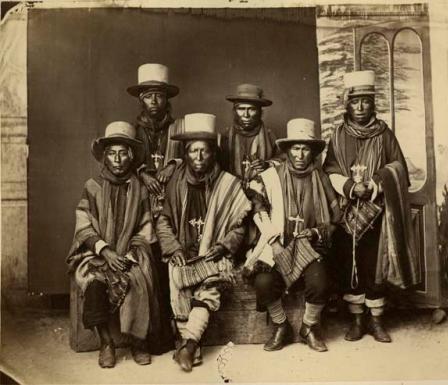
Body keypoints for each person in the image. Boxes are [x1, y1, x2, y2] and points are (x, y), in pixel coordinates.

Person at [323, 70, 421, 343]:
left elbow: (398, 166)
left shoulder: (384, 133)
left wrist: (377, 183)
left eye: (366, 101)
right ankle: (356, 321)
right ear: (348, 103)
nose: (361, 106)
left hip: (378, 212)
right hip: (347, 213)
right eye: (356, 101)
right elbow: (329, 168)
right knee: (351, 265)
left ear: (373, 103)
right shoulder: (338, 134)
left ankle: (377, 321)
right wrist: (350, 187)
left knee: (375, 266)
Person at [155, 113, 251, 372]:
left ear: (213, 154)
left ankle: (188, 345)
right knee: (177, 276)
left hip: (214, 251)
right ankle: (189, 342)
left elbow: (239, 225)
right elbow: (162, 221)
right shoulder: (175, 184)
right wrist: (173, 248)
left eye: (204, 151)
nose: (198, 157)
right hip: (184, 251)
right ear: (185, 154)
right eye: (193, 151)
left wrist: (225, 245)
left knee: (212, 284)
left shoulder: (228, 184)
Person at [66, 121, 167, 368]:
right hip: (97, 253)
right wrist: (106, 250)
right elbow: (84, 225)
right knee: (94, 285)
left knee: (139, 280)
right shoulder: (93, 187)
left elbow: (145, 229)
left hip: (130, 255)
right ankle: (106, 343)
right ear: (105, 156)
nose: (118, 159)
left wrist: (130, 255)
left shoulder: (140, 189)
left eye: (123, 153)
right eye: (112, 153)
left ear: (131, 156)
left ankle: (137, 342)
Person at [245, 118, 341, 353]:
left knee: (319, 282)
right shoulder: (270, 177)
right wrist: (274, 242)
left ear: (312, 152)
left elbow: (335, 218)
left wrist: (316, 232)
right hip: (278, 244)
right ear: (287, 150)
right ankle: (281, 326)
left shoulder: (322, 179)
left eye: (305, 148)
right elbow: (259, 211)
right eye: (295, 148)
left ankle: (308, 327)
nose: (300, 154)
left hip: (309, 246)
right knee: (263, 282)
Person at [127, 63, 183, 219]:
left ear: (166, 100)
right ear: (141, 100)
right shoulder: (132, 132)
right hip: (140, 204)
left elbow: (198, 156)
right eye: (148, 96)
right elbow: (121, 165)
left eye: (158, 95)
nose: (153, 101)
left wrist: (174, 164)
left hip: (174, 201)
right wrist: (142, 174)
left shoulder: (180, 128)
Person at [221, 83, 279, 188]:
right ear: (234, 111)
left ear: (260, 112)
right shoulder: (224, 138)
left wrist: (268, 164)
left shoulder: (271, 137)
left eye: (251, 109)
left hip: (263, 194)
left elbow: (284, 160)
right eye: (241, 109)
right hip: (231, 193)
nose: (246, 115)